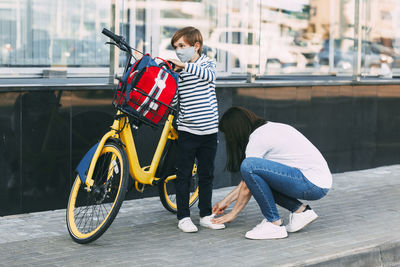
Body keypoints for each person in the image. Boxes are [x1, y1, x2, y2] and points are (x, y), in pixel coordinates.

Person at [211, 106, 332, 240]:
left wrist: (233, 213)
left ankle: (273, 224)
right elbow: (250, 180)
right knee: (257, 176)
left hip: (310, 183)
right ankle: (301, 212)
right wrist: (226, 201)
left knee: (248, 164)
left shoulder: (257, 138)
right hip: (317, 182)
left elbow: (247, 183)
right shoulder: (271, 127)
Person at [167, 26, 225, 233]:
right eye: (176, 47)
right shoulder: (179, 72)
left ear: (196, 45)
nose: (178, 50)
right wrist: (171, 78)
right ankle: (183, 217)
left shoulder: (207, 63)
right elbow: (175, 99)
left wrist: (184, 66)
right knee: (183, 175)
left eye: (182, 46)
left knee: (206, 175)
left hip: (209, 132)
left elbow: (209, 77)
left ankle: (205, 215)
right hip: (187, 131)